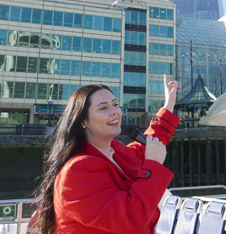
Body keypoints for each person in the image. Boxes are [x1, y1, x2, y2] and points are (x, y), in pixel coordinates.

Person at [35, 75, 180, 234]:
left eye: (115, 104)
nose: (115, 112)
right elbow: (128, 221)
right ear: (83, 121)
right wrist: (153, 165)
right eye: (103, 108)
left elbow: (152, 142)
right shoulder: (77, 171)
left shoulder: (117, 152)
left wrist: (169, 103)